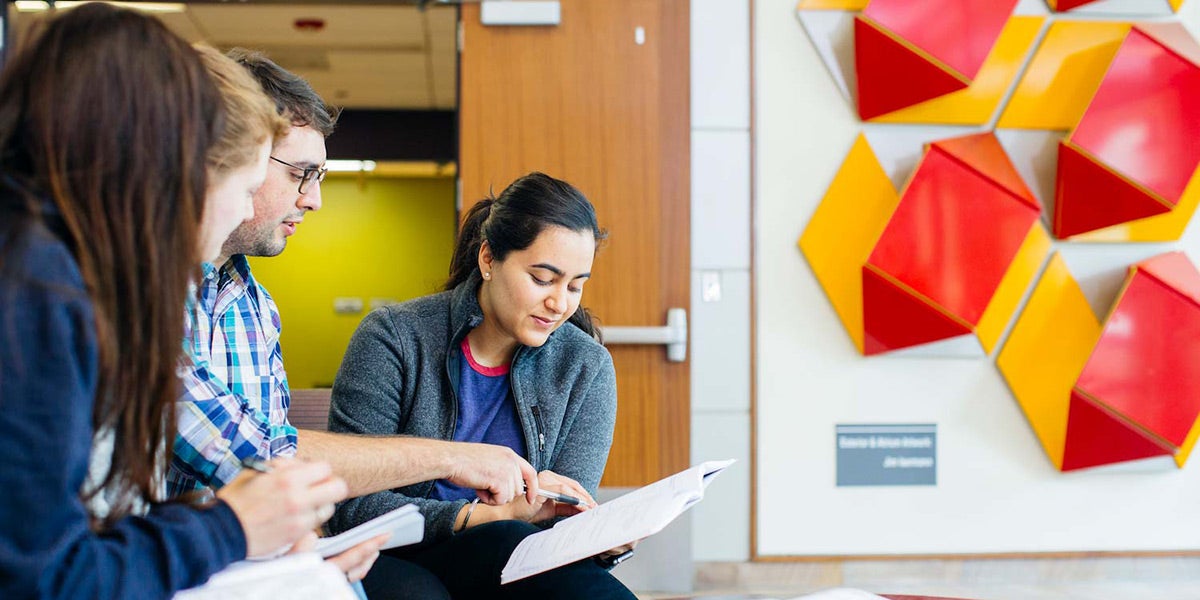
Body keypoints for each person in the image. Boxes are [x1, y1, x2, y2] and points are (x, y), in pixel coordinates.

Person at [0, 5, 349, 598]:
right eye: (242, 186)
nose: (244, 209)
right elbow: (44, 579)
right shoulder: (39, 290)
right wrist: (231, 528)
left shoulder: (57, 270)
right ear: (166, 167)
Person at [166, 49, 541, 599]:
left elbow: (281, 487)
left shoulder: (254, 304)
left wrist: (314, 551)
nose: (314, 199)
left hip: (245, 564)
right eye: (301, 174)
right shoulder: (142, 291)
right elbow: (262, 456)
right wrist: (453, 458)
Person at [328, 172, 636, 599]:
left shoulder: (585, 366)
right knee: (487, 550)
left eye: (575, 286)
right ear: (489, 259)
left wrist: (599, 537)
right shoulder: (394, 337)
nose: (559, 303)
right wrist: (483, 517)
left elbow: (558, 528)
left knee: (521, 547)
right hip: (392, 554)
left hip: (511, 558)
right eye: (542, 279)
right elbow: (349, 505)